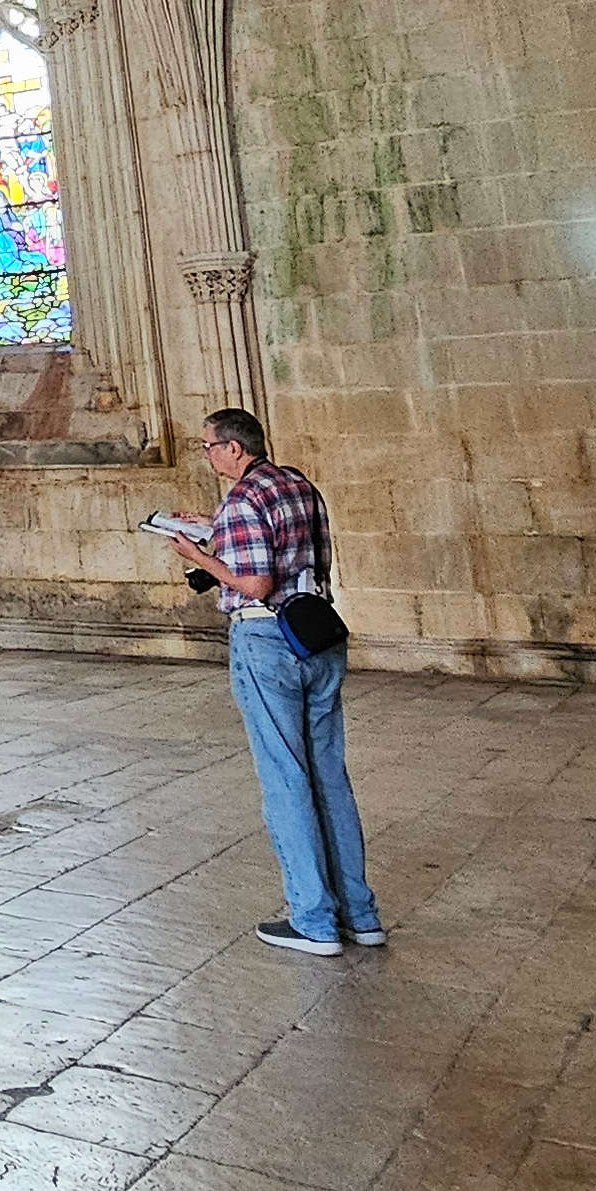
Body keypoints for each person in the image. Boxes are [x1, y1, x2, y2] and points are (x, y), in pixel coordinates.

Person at [186, 408, 383, 957]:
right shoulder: (298, 484)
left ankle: (314, 920)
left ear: (233, 448)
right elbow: (289, 545)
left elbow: (255, 582)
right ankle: (361, 915)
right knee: (329, 775)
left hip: (267, 640)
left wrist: (200, 557)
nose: (207, 455)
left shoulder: (242, 499)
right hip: (317, 635)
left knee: (286, 777)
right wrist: (214, 528)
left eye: (208, 446)